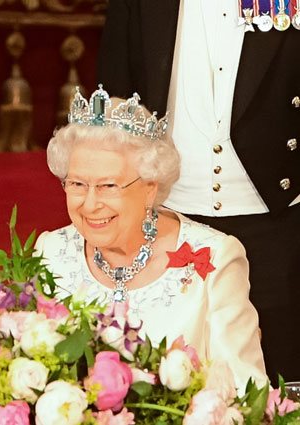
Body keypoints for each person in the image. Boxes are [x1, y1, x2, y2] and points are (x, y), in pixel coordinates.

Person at [96, 0, 300, 382]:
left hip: (277, 215)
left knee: (278, 380)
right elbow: (117, 88)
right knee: (169, 378)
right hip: (170, 216)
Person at [34, 87, 267, 390]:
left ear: (150, 187)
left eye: (108, 186)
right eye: (77, 183)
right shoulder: (49, 251)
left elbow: (245, 392)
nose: (90, 204)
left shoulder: (216, 257)